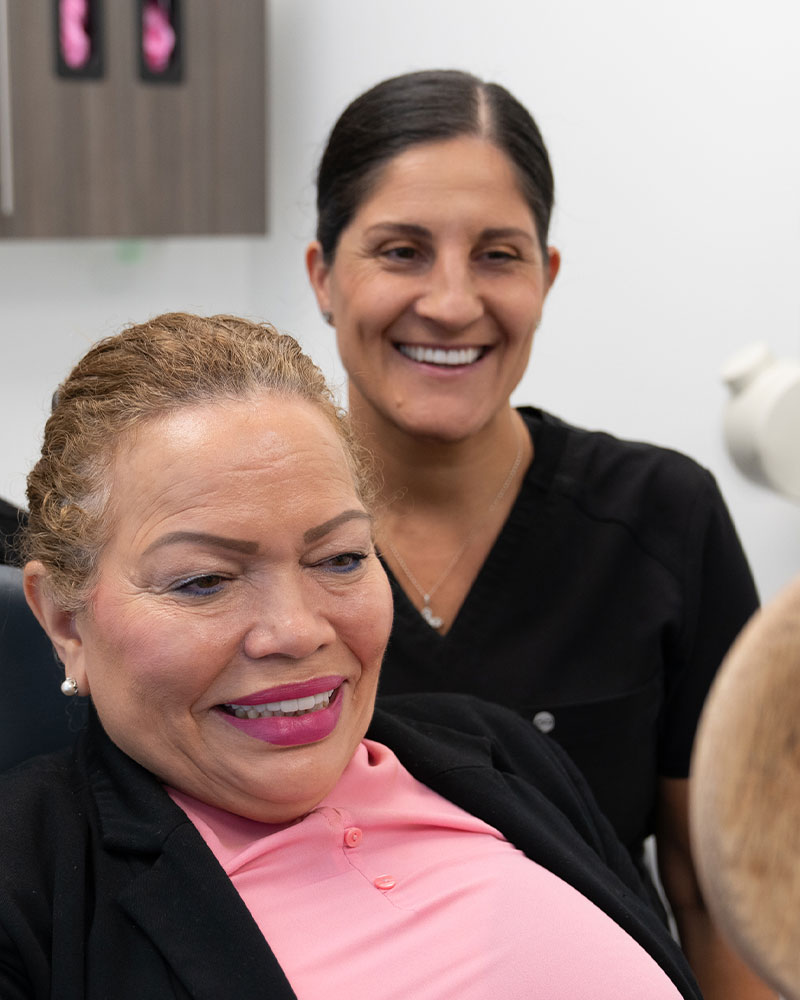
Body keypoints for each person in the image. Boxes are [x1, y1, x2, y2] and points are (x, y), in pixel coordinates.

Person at [1, 313, 704, 999]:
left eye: (338, 558)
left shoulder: (502, 754)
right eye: (204, 580)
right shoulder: (28, 886)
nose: (297, 630)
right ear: (66, 620)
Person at [305, 70, 773, 999]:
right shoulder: (255, 541)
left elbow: (717, 897)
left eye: (496, 255)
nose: (449, 301)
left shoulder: (660, 517)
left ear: (545, 278)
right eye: (400, 251)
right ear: (323, 275)